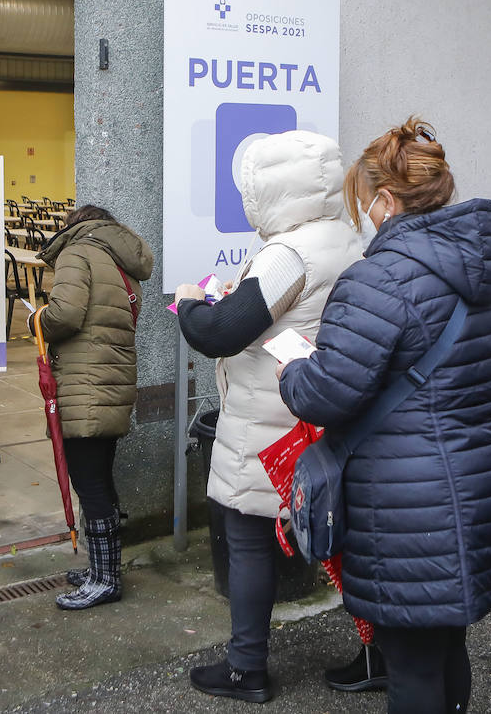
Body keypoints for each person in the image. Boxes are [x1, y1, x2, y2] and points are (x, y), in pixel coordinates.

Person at [278, 119, 491, 714]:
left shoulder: (378, 278)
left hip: (410, 502)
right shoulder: (473, 269)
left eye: (363, 204)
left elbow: (326, 393)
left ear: (387, 202)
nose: (363, 216)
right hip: (479, 480)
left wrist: (293, 371)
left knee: (413, 665)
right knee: (445, 646)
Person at [175, 130, 363, 704]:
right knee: (349, 540)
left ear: (274, 191)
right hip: (329, 411)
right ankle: (380, 651)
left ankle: (246, 668)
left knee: (248, 534)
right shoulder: (349, 237)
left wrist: (189, 303)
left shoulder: (289, 254)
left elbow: (224, 332)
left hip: (272, 419)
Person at [34, 204, 153, 611]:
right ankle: (103, 568)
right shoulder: (115, 257)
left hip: (85, 386)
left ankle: (105, 579)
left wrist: (38, 318)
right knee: (99, 476)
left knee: (91, 482)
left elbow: (65, 314)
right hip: (110, 383)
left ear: (75, 225)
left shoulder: (76, 253)